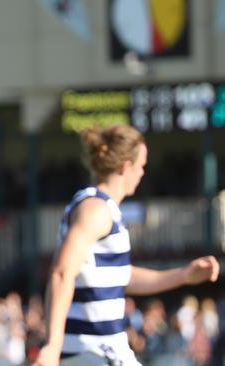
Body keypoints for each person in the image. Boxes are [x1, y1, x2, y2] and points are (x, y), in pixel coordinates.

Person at [33, 124, 219, 366]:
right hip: (95, 352)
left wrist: (184, 275)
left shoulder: (105, 209)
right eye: (141, 166)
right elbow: (61, 272)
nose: (142, 173)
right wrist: (51, 347)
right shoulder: (96, 209)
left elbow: (122, 277)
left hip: (100, 351)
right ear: (125, 167)